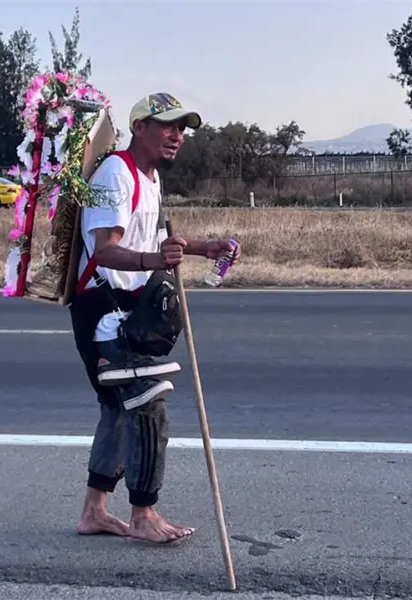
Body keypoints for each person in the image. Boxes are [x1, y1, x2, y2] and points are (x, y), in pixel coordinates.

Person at [68, 92, 240, 544]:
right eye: (167, 125)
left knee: (117, 410)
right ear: (138, 127)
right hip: (105, 314)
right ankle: (143, 513)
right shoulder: (113, 174)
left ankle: (94, 511)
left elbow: (160, 236)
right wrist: (152, 261)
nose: (177, 136)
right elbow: (104, 248)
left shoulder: (149, 178)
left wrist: (204, 248)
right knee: (147, 403)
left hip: (132, 311)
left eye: (182, 128)